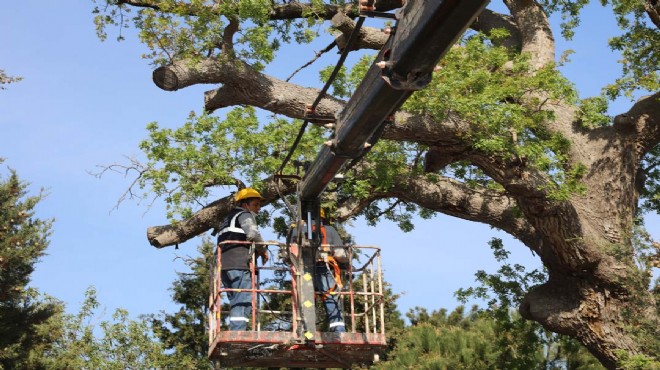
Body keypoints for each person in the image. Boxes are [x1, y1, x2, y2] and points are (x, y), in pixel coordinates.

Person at [217, 188, 269, 331]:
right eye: (255, 205)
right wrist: (263, 250)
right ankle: (237, 332)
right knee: (243, 299)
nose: (258, 209)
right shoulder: (244, 214)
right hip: (238, 264)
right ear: (245, 204)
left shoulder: (227, 219)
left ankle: (236, 330)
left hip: (224, 266)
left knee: (236, 300)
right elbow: (252, 234)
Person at [290, 209, 347, 333]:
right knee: (331, 299)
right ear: (322, 218)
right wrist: (344, 263)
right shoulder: (329, 231)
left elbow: (289, 256)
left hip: (304, 272)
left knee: (308, 300)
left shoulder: (295, 231)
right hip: (325, 269)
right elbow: (341, 255)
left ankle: (307, 332)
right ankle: (339, 331)